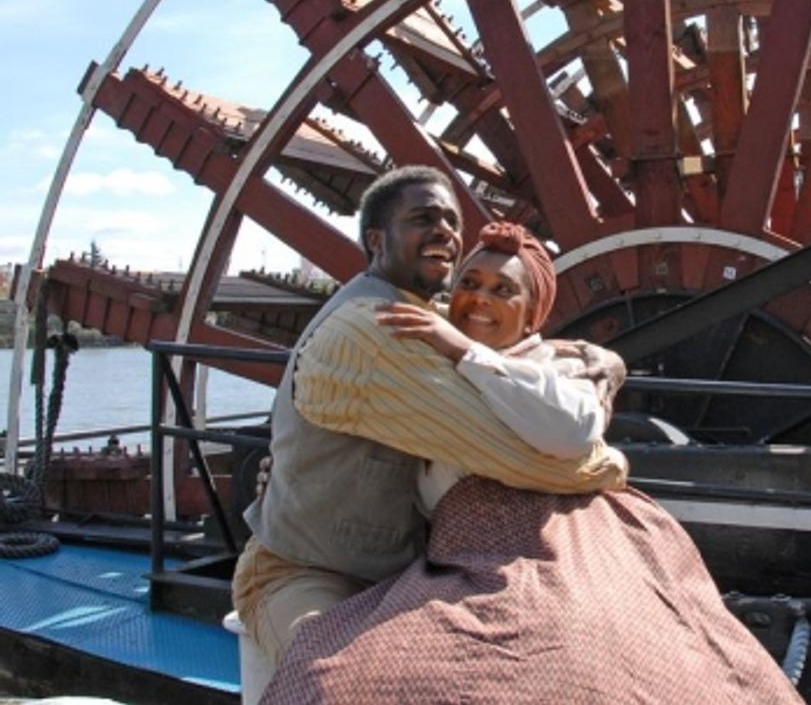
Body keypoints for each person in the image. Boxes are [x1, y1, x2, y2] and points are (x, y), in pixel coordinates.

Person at [260, 223, 803, 703]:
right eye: (469, 284)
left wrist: (466, 351)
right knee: (359, 676)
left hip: (572, 547)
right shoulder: (423, 379)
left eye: (503, 290)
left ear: (531, 313)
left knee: (593, 664)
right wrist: (283, 475)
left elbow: (570, 433)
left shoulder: (558, 366)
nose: (478, 300)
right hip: (466, 561)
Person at [234, 166, 626, 664]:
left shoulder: (416, 312)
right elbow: (525, 459)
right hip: (309, 573)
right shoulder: (373, 331)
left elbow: (501, 342)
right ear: (377, 239)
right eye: (423, 218)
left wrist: (604, 364)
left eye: (451, 221)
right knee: (333, 680)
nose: (445, 232)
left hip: (403, 574)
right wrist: (609, 464)